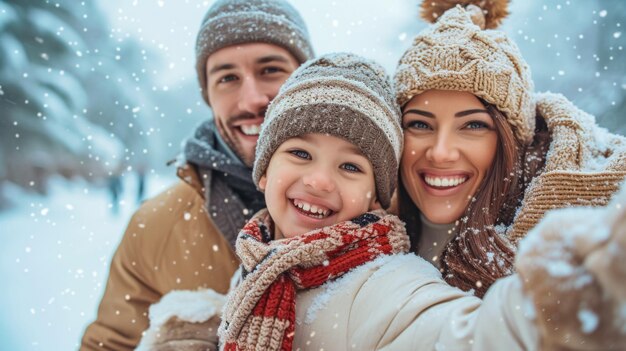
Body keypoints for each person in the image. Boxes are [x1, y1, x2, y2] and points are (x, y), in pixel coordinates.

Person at [137, 53, 626, 351]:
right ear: (264, 169)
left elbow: (471, 336)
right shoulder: (262, 258)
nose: (320, 181)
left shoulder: (382, 282)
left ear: (378, 197)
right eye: (300, 153)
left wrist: (583, 289)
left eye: (351, 167)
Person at [80, 0, 314, 350]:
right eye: (228, 78)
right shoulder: (155, 227)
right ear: (208, 95)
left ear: (307, 78)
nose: (251, 99)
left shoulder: (379, 200)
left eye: (270, 70)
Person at [393, 0, 626, 298]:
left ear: (510, 140)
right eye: (420, 125)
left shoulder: (584, 249)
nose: (441, 152)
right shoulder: (367, 226)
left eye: (473, 126)